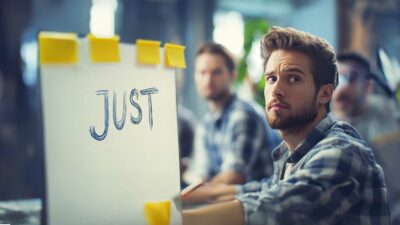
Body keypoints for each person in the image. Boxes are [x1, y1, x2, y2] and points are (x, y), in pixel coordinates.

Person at [181, 27, 390, 225]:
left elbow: (277, 208)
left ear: (325, 93)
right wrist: (178, 199)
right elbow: (258, 190)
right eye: (271, 78)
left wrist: (172, 219)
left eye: (293, 78)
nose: (276, 90)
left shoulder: (342, 151)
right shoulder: (292, 153)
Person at [183, 43, 280, 186]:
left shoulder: (243, 115)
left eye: (216, 72)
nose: (208, 79)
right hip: (226, 201)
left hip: (254, 203)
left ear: (232, 75)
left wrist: (186, 195)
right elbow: (204, 176)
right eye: (202, 72)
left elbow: (233, 177)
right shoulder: (206, 124)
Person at [332, 51, 400, 144]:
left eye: (350, 78)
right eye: (335, 78)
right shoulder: (320, 121)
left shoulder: (392, 110)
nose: (340, 88)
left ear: (368, 85)